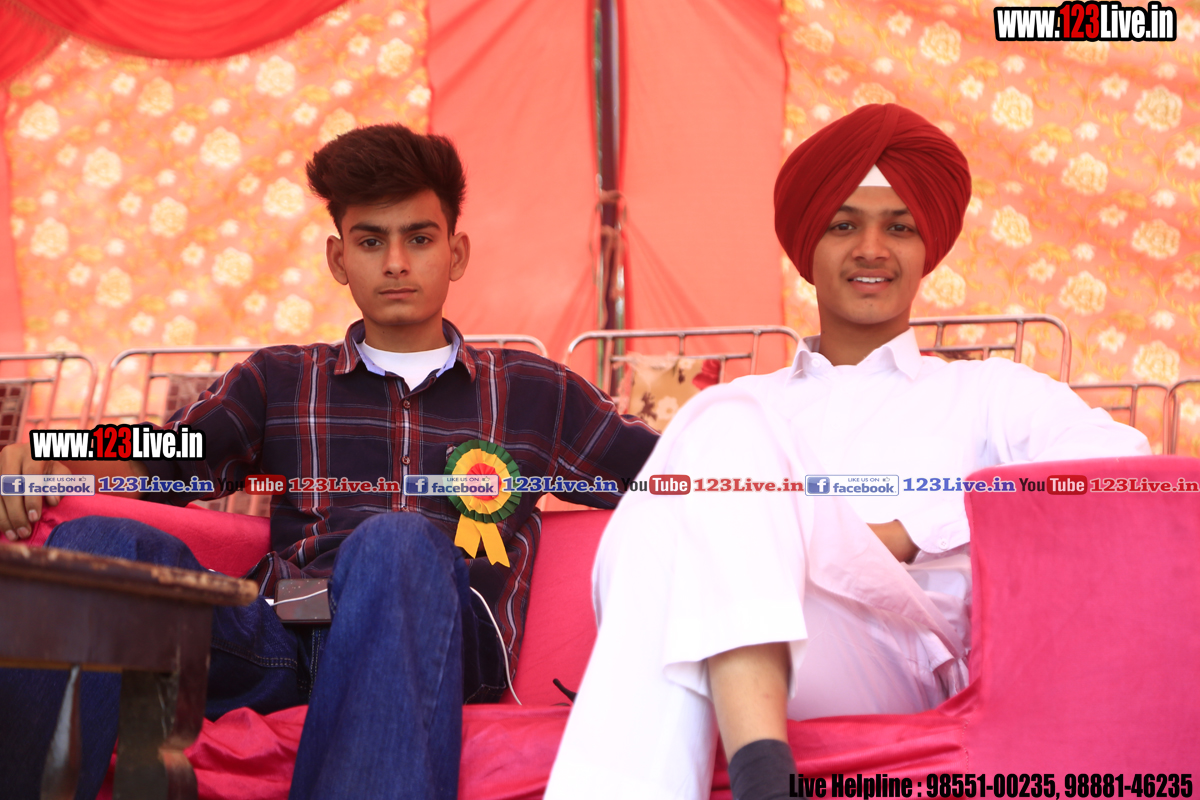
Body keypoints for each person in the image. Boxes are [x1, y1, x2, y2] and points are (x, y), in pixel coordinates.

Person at [0, 123, 658, 800]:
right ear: (339, 259)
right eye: (371, 241)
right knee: (94, 548)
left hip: (435, 638)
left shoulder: (534, 391)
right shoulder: (282, 379)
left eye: (419, 239)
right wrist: (46, 453)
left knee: (395, 543)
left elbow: (670, 473)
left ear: (456, 253)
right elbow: (170, 457)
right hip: (289, 628)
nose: (395, 262)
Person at [543, 104, 1150, 800]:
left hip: (896, 657)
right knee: (721, 426)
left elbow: (1120, 465)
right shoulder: (748, 408)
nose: (871, 249)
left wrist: (912, 531)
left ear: (926, 249)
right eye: (843, 225)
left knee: (717, 443)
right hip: (742, 625)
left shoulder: (988, 392)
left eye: (898, 227)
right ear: (808, 247)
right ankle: (765, 775)